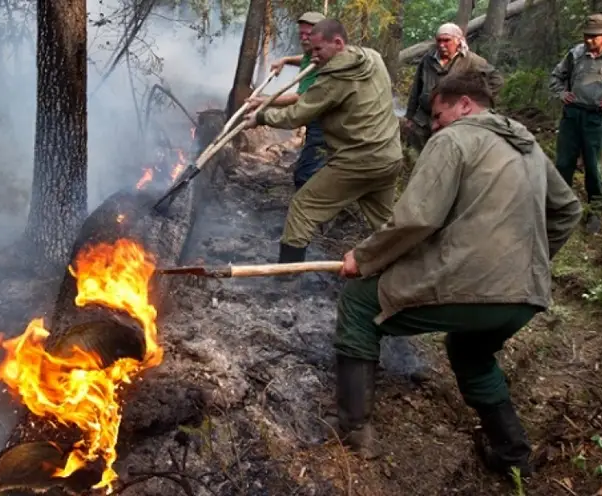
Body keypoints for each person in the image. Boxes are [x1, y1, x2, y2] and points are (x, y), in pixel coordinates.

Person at [332, 71, 582, 478]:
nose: (433, 125)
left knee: (359, 302)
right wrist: (528, 262)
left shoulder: (454, 139)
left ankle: (353, 433)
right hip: (526, 296)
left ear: (465, 104)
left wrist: (365, 257)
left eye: (437, 114)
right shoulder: (529, 146)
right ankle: (513, 455)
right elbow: (568, 210)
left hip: (474, 290)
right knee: (471, 353)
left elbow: (418, 217)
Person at [244, 18, 403, 265]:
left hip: (358, 161)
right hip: (389, 157)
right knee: (387, 223)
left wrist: (261, 116)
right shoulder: (372, 57)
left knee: (302, 208)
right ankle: (407, 267)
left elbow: (296, 115)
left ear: (338, 43)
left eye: (318, 49)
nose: (313, 55)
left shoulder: (334, 79)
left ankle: (287, 274)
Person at [549, 13, 602, 235]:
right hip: (573, 114)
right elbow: (556, 76)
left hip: (599, 117)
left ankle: (595, 211)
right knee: (564, 162)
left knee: (594, 167)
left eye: (594, 37)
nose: (589, 40)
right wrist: (562, 93)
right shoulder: (576, 53)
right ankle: (558, 206)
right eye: (587, 35)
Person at [246, 11, 328, 190]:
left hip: (325, 126)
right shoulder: (313, 52)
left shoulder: (321, 61)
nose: (305, 38)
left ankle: (306, 210)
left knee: (305, 174)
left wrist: (264, 101)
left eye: (310, 35)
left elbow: (300, 98)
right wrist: (286, 59)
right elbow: (304, 59)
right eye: (302, 34)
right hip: (319, 121)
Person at [403, 22, 504, 153]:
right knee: (418, 153)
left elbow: (497, 80)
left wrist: (475, 100)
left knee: (445, 153)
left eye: (446, 40)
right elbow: (417, 88)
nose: (441, 45)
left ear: (458, 41)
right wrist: (410, 116)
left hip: (451, 120)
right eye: (439, 40)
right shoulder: (427, 60)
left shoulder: (471, 61)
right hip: (423, 118)